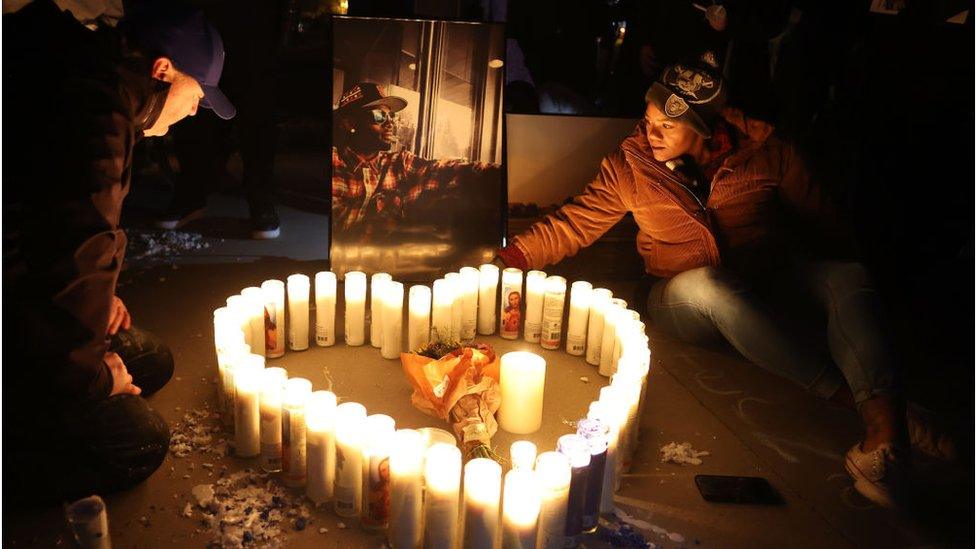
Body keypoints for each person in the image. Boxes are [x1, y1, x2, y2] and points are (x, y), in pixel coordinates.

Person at [495, 59, 936, 510]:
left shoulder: (767, 151)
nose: (653, 133)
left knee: (848, 276)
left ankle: (883, 433)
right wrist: (508, 260)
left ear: (704, 128)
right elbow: (572, 225)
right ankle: (861, 404)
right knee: (711, 287)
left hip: (764, 283)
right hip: (682, 297)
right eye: (649, 121)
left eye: (668, 125)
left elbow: (825, 224)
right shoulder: (632, 166)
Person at [2, 0, 234, 502]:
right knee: (136, 439)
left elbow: (58, 233)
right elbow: (77, 249)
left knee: (149, 360)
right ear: (163, 70)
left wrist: (100, 309)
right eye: (197, 96)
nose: (195, 111)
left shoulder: (98, 83)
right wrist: (91, 380)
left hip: (23, 292)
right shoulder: (95, 114)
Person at [331, 82, 499, 241]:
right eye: (379, 116)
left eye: (391, 116)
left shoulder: (399, 163)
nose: (390, 123)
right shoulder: (334, 164)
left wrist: (496, 174)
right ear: (350, 123)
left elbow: (443, 170)